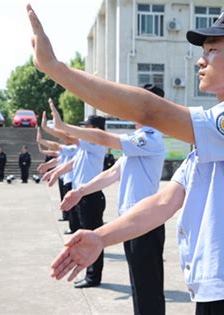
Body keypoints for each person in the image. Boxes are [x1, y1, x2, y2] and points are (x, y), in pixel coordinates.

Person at [28, 4, 224, 314]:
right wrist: (100, 237)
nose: (200, 59)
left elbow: (149, 111)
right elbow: (163, 201)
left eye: (213, 49)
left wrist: (57, 68)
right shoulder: (215, 133)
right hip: (219, 293)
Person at [52, 84, 167, 314]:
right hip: (131, 221)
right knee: (139, 284)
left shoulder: (150, 139)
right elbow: (112, 173)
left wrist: (66, 127)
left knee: (148, 287)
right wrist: (80, 191)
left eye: (138, 102)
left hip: (145, 222)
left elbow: (102, 138)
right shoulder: (137, 141)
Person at [42, 111, 106, 289]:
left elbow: (70, 137)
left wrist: (52, 127)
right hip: (82, 197)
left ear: (95, 129)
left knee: (93, 237)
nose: (84, 129)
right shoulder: (85, 148)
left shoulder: (97, 144)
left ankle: (94, 277)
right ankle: (88, 272)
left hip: (91, 197)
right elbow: (71, 164)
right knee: (83, 236)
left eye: (87, 126)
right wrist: (53, 172)